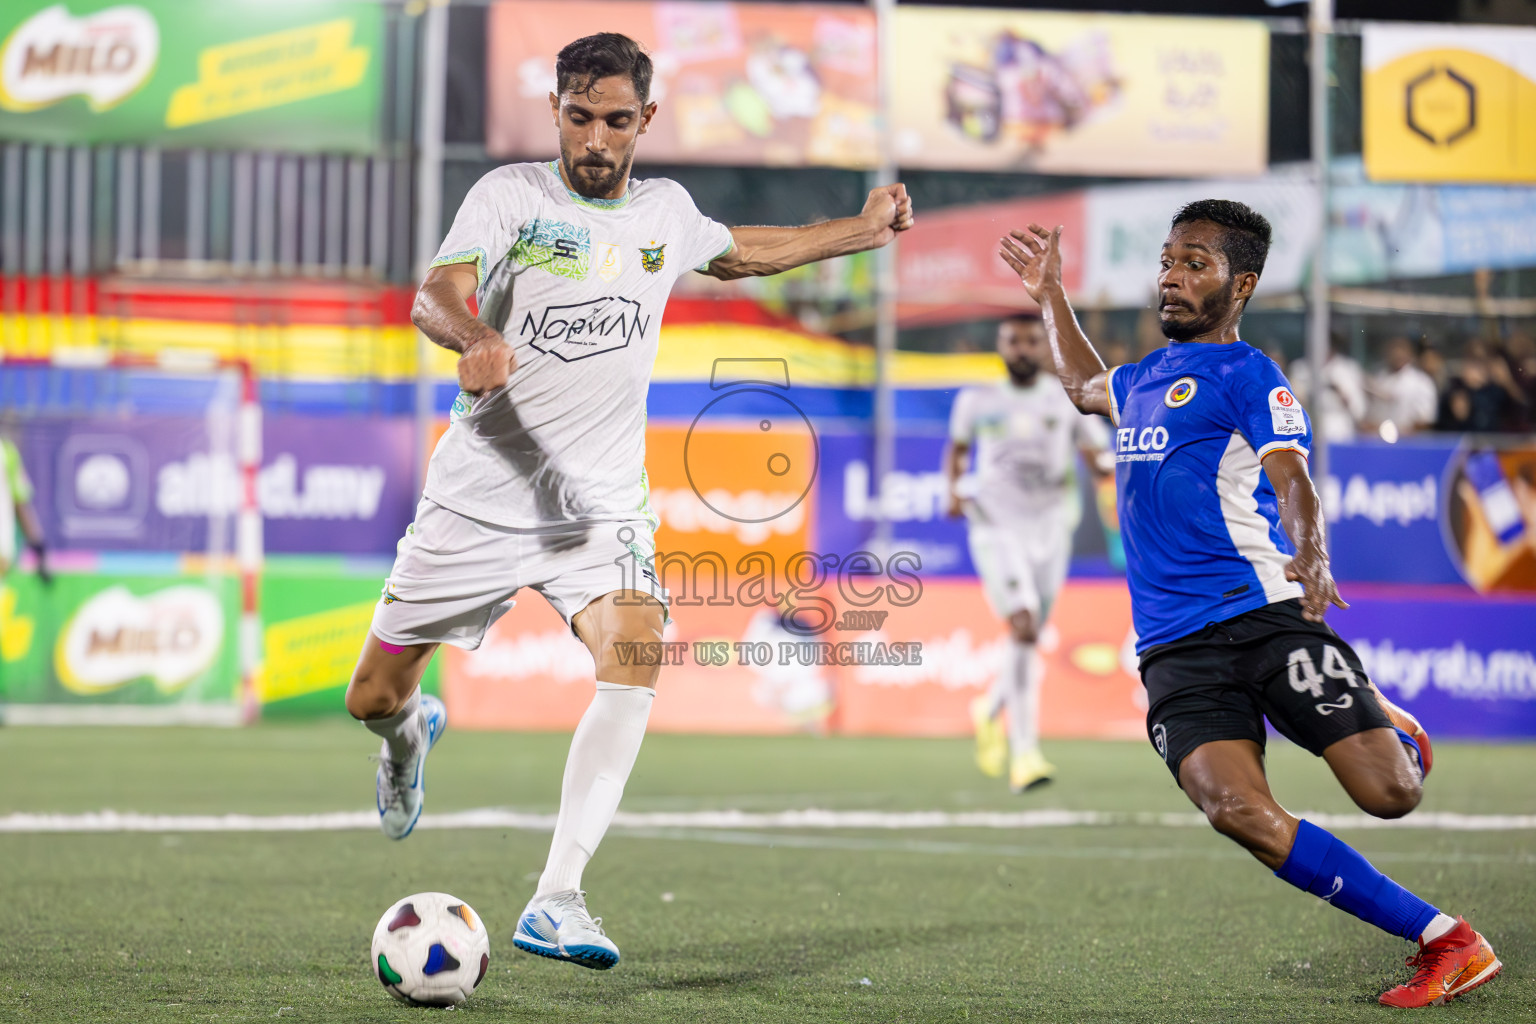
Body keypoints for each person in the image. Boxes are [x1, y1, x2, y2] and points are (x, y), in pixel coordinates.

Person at [343, 33, 913, 972]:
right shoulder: (510, 198)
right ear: (557, 111)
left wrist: (859, 230)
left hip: (597, 512)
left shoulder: (666, 212)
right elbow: (434, 294)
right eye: (579, 117)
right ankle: (408, 737)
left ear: (645, 119)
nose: (596, 138)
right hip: (478, 504)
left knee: (639, 644)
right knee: (371, 696)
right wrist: (474, 335)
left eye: (616, 120)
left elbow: (744, 255)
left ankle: (557, 897)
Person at [998, 200, 1501, 1009]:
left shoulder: (1248, 374)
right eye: (1167, 258)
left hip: (1262, 616)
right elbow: (1082, 382)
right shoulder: (1137, 383)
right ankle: (1448, 940)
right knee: (1233, 807)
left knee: (1391, 794)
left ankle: (1374, 709)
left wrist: (1313, 552)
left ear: (1242, 284)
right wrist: (1048, 292)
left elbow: (1290, 474)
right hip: (1174, 650)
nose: (1171, 274)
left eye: (1195, 262)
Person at [943, 314, 1111, 792]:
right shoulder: (978, 400)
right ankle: (1025, 755)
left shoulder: (1065, 397)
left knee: (1030, 634)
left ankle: (989, 707)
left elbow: (1094, 452)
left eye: (1031, 341)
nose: (1021, 349)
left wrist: (1108, 467)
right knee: (1022, 622)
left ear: (1044, 347)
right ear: (1000, 346)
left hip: (1052, 529)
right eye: (1013, 340)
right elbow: (957, 451)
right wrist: (953, 489)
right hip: (996, 526)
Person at [0, 427, 49, 584]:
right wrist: (38, 547)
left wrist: (38, 546)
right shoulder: (6, 452)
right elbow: (21, 504)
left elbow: (20, 502)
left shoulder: (7, 453)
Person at [1366, 336, 1438, 438]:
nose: (1397, 354)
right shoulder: (1379, 379)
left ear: (1409, 354)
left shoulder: (1421, 382)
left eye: (1401, 350)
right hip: (1380, 441)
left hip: (1410, 443)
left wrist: (1400, 431)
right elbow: (1370, 417)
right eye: (1393, 350)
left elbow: (1426, 421)